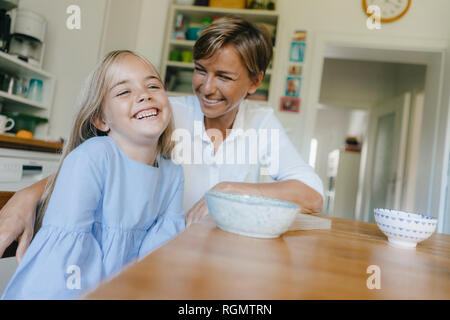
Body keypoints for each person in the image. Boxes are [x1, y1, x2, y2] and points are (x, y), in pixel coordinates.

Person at [0, 17, 323, 264]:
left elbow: (312, 195)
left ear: (254, 82)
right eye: (201, 70)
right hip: (163, 257)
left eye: (224, 77)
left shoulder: (262, 123)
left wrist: (230, 190)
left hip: (226, 258)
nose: (207, 88)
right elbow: (99, 161)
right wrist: (27, 195)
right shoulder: (168, 113)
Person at [1, 50, 185, 299]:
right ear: (100, 120)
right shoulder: (92, 158)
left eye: (153, 85)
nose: (144, 95)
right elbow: (65, 265)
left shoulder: (173, 174)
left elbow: (160, 257)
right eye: (123, 91)